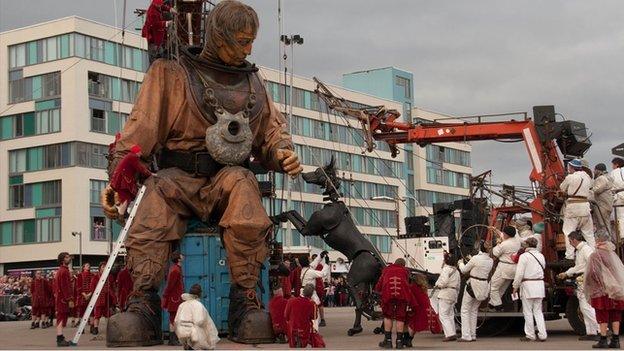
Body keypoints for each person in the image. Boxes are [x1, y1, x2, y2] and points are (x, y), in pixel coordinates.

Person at [102, 1, 301, 345]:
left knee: (245, 190)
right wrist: (117, 180)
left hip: (227, 177)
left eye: (251, 40)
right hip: (176, 177)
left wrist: (282, 153)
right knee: (153, 205)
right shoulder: (170, 73)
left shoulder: (253, 82)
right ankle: (144, 305)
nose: (248, 49)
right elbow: (140, 131)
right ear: (218, 35)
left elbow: (272, 132)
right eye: (241, 40)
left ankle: (244, 302)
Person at [584, 229, 624, 349]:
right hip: (616, 288)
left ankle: (603, 339)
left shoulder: (596, 255)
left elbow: (593, 272)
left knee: (602, 314)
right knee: (615, 313)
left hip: (602, 290)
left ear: (597, 239)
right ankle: (616, 340)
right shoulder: (612, 254)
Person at [557, 230, 599, 340]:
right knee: (585, 307)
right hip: (582, 278)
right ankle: (591, 332)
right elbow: (578, 266)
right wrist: (566, 273)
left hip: (585, 279)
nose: (570, 244)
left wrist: (586, 275)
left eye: (570, 241)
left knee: (586, 307)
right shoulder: (581, 250)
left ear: (574, 240)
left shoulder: (585, 250)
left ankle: (599, 330)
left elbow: (592, 264)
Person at [512, 237, 547, 342]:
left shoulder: (524, 256)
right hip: (539, 284)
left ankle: (530, 335)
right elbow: (544, 267)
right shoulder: (541, 255)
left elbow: (519, 274)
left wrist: (515, 286)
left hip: (528, 285)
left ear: (527, 245)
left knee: (527, 312)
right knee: (538, 312)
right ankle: (543, 334)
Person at [458, 241, 494, 342]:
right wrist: (471, 259)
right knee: (474, 311)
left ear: (479, 249)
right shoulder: (490, 260)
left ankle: (466, 335)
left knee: (465, 310)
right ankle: (473, 334)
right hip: (483, 285)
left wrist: (460, 263)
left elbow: (464, 270)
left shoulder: (475, 259)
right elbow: (479, 265)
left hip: (473, 284)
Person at [375, 258, 414, 349]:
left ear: (394, 263)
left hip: (388, 295)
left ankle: (388, 342)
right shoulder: (406, 271)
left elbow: (380, 283)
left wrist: (377, 290)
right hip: (402, 296)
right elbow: (408, 284)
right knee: (400, 317)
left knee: (388, 317)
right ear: (403, 265)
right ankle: (399, 342)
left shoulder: (386, 270)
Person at [561, 158, 595, 259]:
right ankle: (593, 254)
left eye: (569, 168)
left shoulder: (570, 177)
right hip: (585, 207)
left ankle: (570, 256)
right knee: (589, 233)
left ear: (572, 167)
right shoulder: (587, 177)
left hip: (573, 208)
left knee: (568, 232)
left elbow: (562, 188)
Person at [109, 144, 154, 217]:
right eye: (139, 152)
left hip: (121, 179)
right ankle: (121, 214)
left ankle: (123, 212)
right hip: (124, 180)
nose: (141, 153)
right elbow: (140, 168)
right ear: (136, 152)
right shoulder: (133, 157)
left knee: (127, 196)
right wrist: (150, 174)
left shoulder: (129, 156)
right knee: (126, 196)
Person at [174, 284, 220, 350]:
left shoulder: (182, 305)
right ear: (200, 294)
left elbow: (176, 320)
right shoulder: (198, 305)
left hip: (182, 332)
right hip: (195, 334)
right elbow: (199, 321)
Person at [489, 226, 521, 310]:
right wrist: (495, 230)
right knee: (502, 288)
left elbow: (494, 253)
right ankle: (492, 304)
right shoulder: (517, 240)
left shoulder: (504, 245)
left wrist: (498, 243)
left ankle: (497, 305)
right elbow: (503, 236)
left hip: (504, 267)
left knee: (492, 287)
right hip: (514, 269)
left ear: (507, 234)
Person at [433, 253, 460, 342]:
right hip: (454, 293)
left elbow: (443, 282)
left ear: (445, 260)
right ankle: (452, 332)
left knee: (443, 315)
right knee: (450, 314)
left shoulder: (446, 269)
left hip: (446, 293)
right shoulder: (456, 271)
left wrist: (437, 284)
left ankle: (450, 334)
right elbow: (459, 285)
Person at [300, 253, 329, 329]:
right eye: (308, 259)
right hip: (310, 293)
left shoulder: (304, 270)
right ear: (307, 261)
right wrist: (326, 264)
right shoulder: (310, 272)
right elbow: (323, 273)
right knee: (314, 313)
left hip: (304, 292)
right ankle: (314, 331)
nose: (310, 259)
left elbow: (313, 264)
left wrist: (320, 256)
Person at [284, 284, 319, 348]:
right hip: (304, 329)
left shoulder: (291, 301)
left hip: (292, 328)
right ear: (311, 294)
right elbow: (314, 317)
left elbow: (286, 315)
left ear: (303, 291)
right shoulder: (312, 304)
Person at [403, 273, 433, 347]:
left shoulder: (412, 287)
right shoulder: (423, 288)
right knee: (415, 326)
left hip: (416, 307)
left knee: (406, 323)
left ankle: (406, 339)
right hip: (424, 308)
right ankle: (409, 339)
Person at [141, 0, 174, 64]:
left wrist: (170, 9)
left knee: (160, 51)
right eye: (159, 5)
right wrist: (166, 23)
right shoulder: (152, 13)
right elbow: (155, 24)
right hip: (153, 36)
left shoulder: (156, 6)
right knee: (154, 56)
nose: (160, 6)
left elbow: (162, 7)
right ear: (155, 4)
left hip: (158, 36)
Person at [163, 251, 185, 346]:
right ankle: (172, 339)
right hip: (174, 299)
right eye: (181, 255)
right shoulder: (175, 270)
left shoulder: (177, 269)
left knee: (174, 318)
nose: (183, 256)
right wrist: (165, 296)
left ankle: (173, 339)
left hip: (175, 298)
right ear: (178, 258)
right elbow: (170, 285)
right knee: (173, 319)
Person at [90, 262, 116, 335]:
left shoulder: (110, 276)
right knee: (97, 315)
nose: (104, 268)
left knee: (108, 315)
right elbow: (92, 288)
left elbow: (113, 287)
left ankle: (108, 329)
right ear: (100, 268)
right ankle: (95, 328)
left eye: (105, 267)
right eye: (103, 267)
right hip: (98, 298)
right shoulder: (96, 277)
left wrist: (114, 298)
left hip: (107, 299)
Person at [54, 252, 75, 347]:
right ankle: (59, 338)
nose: (69, 258)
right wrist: (69, 299)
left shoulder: (62, 270)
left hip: (61, 298)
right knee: (61, 318)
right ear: (63, 260)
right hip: (63, 299)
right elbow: (65, 286)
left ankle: (61, 337)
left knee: (62, 318)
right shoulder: (64, 271)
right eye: (67, 257)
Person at [590, 163, 614, 232]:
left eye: (595, 170)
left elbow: (597, 190)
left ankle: (606, 240)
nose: (594, 171)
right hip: (607, 205)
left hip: (602, 205)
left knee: (602, 224)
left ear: (598, 170)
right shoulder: (608, 177)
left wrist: (589, 190)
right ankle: (607, 239)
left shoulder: (601, 178)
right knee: (606, 224)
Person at [311, 253, 330, 326]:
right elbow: (323, 273)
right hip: (319, 287)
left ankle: (318, 319)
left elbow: (322, 273)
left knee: (316, 304)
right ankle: (322, 319)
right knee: (320, 304)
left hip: (316, 287)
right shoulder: (320, 266)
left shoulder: (312, 266)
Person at [75, 263, 93, 330]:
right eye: (87, 265)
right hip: (82, 296)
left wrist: (90, 294)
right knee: (82, 313)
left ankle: (92, 326)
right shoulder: (80, 275)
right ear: (83, 267)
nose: (88, 266)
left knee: (91, 312)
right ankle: (81, 328)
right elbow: (78, 287)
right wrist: (84, 294)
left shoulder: (92, 275)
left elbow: (94, 285)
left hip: (91, 295)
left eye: (89, 265)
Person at [611, 157, 624, 239]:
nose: (612, 166)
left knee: (620, 217)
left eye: (612, 164)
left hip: (619, 195)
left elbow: (611, 186)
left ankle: (622, 236)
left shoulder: (614, 172)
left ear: (616, 164)